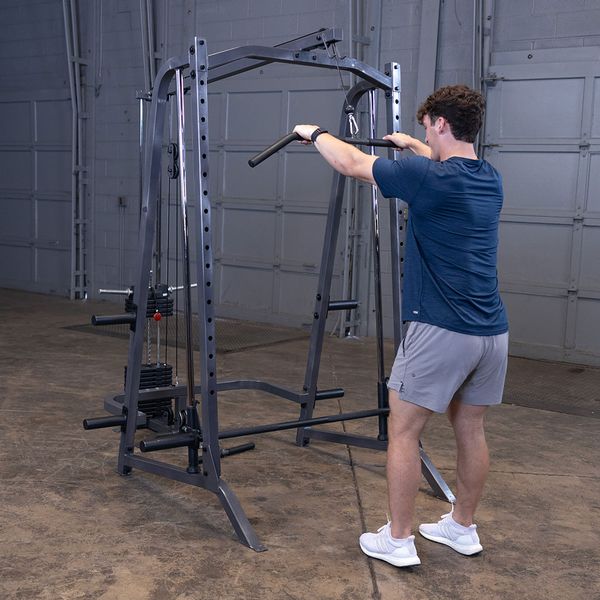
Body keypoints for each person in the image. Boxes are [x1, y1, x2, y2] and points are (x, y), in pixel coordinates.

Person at [293, 84, 509, 568]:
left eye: (427, 127)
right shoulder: (489, 177)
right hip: (492, 333)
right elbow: (440, 163)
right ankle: (462, 528)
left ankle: (398, 539)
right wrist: (411, 143)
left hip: (442, 328)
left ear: (441, 123)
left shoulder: (424, 177)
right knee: (471, 428)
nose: (425, 135)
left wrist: (315, 133)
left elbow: (350, 162)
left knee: (404, 430)